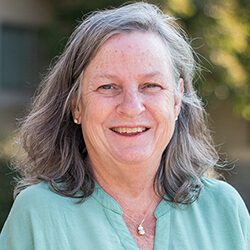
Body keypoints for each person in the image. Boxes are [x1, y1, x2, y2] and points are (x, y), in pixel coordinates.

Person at [0, 2, 249, 250]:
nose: (131, 107)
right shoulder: (37, 215)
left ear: (176, 100)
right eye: (108, 87)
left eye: (151, 86)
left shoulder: (224, 210)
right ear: (76, 105)